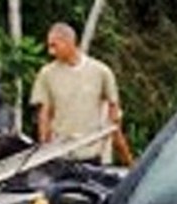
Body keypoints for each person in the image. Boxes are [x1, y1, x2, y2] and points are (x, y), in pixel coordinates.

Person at [30, 22, 122, 164]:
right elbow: (44, 114)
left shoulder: (101, 71)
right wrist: (44, 148)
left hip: (91, 152)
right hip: (60, 153)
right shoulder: (47, 74)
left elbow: (114, 110)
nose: (51, 52)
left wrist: (108, 144)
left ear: (69, 42)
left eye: (55, 45)